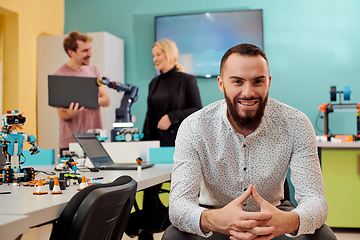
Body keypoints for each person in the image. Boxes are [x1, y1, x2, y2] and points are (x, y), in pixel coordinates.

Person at [163, 43, 336, 240]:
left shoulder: (296, 124)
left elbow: (316, 201)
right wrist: (214, 219)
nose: (247, 92)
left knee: (324, 237)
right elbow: (178, 206)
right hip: (215, 218)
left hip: (274, 216)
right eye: (237, 82)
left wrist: (288, 222)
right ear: (221, 84)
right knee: (173, 237)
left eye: (257, 82)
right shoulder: (194, 127)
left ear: (268, 82)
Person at [54, 31, 110, 156]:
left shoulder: (94, 70)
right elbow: (62, 114)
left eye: (90, 49)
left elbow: (106, 100)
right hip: (70, 142)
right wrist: (73, 111)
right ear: (71, 53)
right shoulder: (60, 76)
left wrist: (87, 100)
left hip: (95, 140)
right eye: (85, 51)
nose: (89, 54)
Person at [142, 39, 202, 146]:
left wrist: (172, 116)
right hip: (155, 141)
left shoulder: (187, 80)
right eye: (153, 56)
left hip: (178, 141)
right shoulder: (153, 83)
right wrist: (144, 141)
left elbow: (197, 109)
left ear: (169, 54)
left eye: (158, 54)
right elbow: (149, 114)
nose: (155, 59)